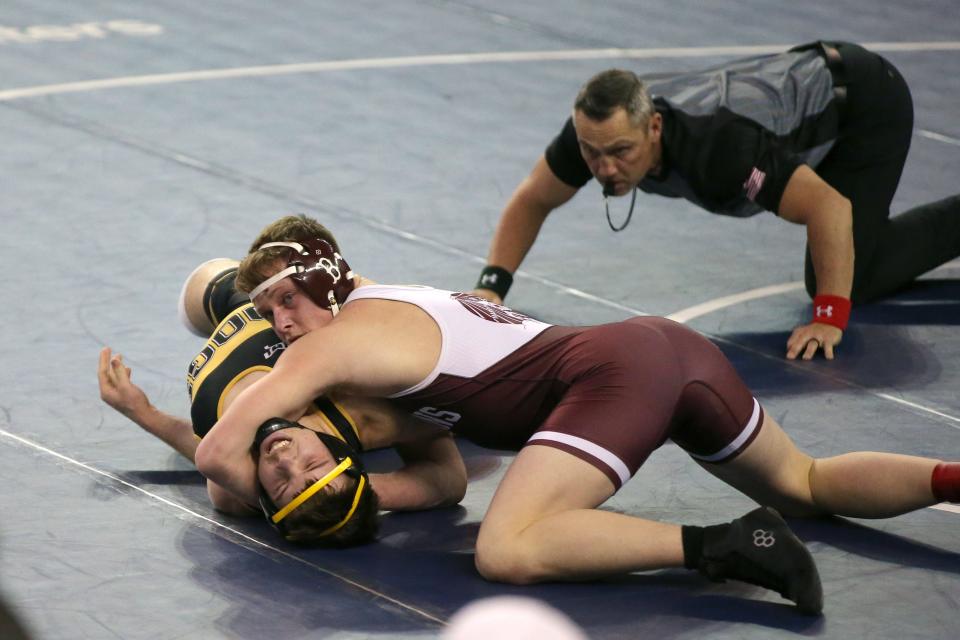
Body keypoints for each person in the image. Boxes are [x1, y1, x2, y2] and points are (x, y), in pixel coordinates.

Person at [195, 214, 959, 615]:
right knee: (810, 484)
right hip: (658, 349)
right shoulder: (388, 304)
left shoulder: (329, 350)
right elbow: (449, 472)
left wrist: (289, 498)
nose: (280, 325)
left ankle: (729, 545)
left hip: (611, 378)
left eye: (285, 302)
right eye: (265, 310)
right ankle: (951, 476)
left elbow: (218, 459)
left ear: (324, 281)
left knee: (509, 548)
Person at [470, 40, 960, 361]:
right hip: (807, 94)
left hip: (865, 104)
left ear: (654, 127)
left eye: (621, 153)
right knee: (842, 260)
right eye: (591, 154)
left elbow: (829, 207)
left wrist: (829, 319)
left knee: (854, 277)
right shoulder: (599, 134)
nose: (605, 168)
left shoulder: (720, 150)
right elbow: (534, 198)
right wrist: (493, 286)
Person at [98, 254, 466, 527]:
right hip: (292, 317)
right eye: (312, 464)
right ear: (341, 457)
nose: (283, 457)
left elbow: (211, 448)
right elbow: (450, 480)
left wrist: (143, 413)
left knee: (200, 288)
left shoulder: (231, 492)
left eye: (283, 482)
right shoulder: (367, 409)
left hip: (233, 312)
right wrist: (358, 493)